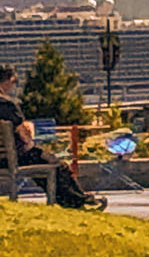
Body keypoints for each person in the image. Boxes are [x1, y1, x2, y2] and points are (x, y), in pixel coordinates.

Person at [0, 64, 104, 210]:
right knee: (56, 165)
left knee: (44, 164)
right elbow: (24, 135)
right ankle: (78, 202)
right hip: (12, 158)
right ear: (8, 80)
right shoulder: (7, 104)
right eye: (14, 82)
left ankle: (77, 200)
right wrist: (29, 135)